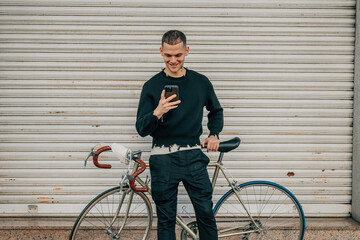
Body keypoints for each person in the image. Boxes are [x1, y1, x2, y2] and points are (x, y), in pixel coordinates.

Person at [136, 30, 223, 240]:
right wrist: (157, 112)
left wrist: (214, 134)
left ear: (187, 51)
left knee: (205, 214)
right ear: (161, 52)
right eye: (168, 55)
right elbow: (141, 128)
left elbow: (216, 110)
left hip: (193, 155)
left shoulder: (201, 82)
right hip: (162, 159)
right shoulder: (151, 86)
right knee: (166, 220)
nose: (173, 60)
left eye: (178, 55)